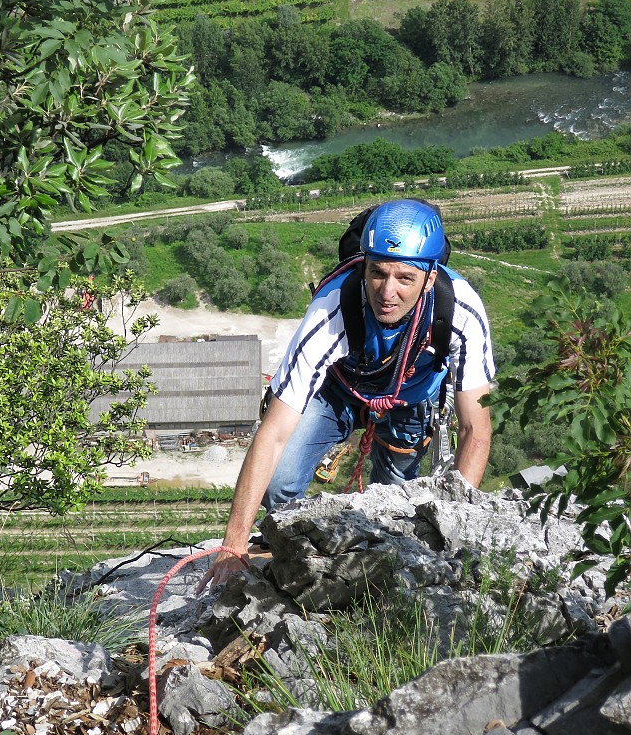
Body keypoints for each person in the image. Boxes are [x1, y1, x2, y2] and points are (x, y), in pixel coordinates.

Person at [198, 198, 495, 592]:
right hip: (338, 390)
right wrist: (233, 545)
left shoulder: (459, 311)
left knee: (395, 502)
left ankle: (384, 576)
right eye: (377, 273)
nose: (387, 292)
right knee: (280, 481)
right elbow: (272, 434)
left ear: (430, 276)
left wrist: (455, 529)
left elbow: (476, 428)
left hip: (410, 400)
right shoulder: (332, 308)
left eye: (404, 278)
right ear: (365, 265)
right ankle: (293, 555)